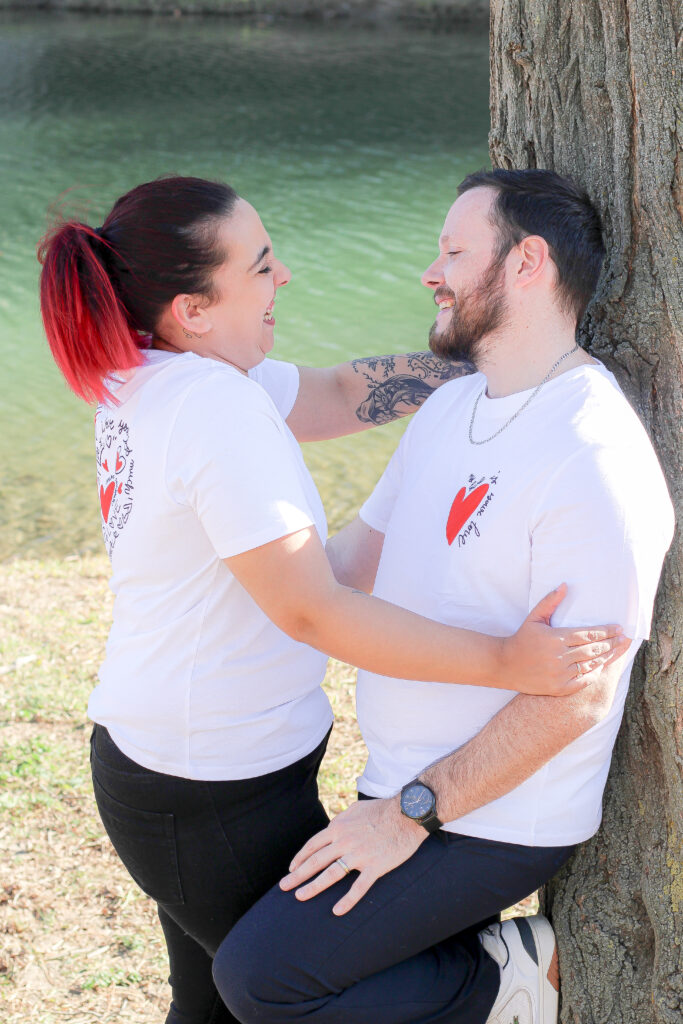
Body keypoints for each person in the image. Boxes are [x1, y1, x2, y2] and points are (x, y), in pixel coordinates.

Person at [38, 176, 621, 1024]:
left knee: (207, 1000)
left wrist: (495, 353)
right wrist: (503, 661)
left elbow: (345, 393)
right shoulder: (215, 407)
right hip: (213, 787)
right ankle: (500, 982)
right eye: (262, 266)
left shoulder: (152, 369)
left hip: (171, 758)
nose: (284, 280)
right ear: (195, 307)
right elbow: (316, 608)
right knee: (276, 991)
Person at [211, 169, 675, 1024]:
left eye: (454, 251)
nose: (431, 271)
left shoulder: (592, 452)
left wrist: (409, 817)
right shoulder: (449, 408)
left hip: (492, 813)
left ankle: (507, 981)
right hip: (397, 785)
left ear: (527, 263)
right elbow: (350, 566)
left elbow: (579, 697)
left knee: (262, 980)